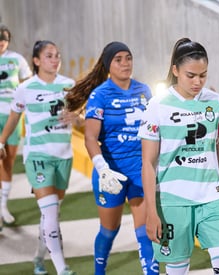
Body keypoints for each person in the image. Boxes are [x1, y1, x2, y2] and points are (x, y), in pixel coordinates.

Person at [139, 37, 219, 275]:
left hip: (211, 199)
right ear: (175, 70)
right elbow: (148, 163)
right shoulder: (157, 106)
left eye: (203, 75)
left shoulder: (216, 102)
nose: (198, 82)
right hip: (172, 202)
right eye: (190, 75)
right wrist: (151, 212)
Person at [65, 41, 159, 275]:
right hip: (110, 173)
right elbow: (90, 138)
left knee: (145, 231)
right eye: (118, 59)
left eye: (128, 58)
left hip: (139, 169)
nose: (125, 64)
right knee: (109, 229)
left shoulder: (144, 91)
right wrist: (102, 169)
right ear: (108, 65)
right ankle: (99, 271)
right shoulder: (99, 95)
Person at [0, 40, 78, 275]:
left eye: (57, 55)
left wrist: (77, 117)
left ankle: (38, 259)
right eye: (49, 56)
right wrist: (1, 141)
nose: (55, 60)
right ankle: (62, 268)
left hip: (64, 157)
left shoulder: (69, 85)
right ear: (36, 61)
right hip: (37, 157)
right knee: (51, 212)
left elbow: (81, 115)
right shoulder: (25, 88)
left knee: (50, 215)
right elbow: (14, 118)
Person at [0, 24, 32, 227]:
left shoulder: (17, 59)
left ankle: (3, 205)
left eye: (3, 42)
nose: (0, 45)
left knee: (8, 160)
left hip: (13, 116)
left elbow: (28, 83)